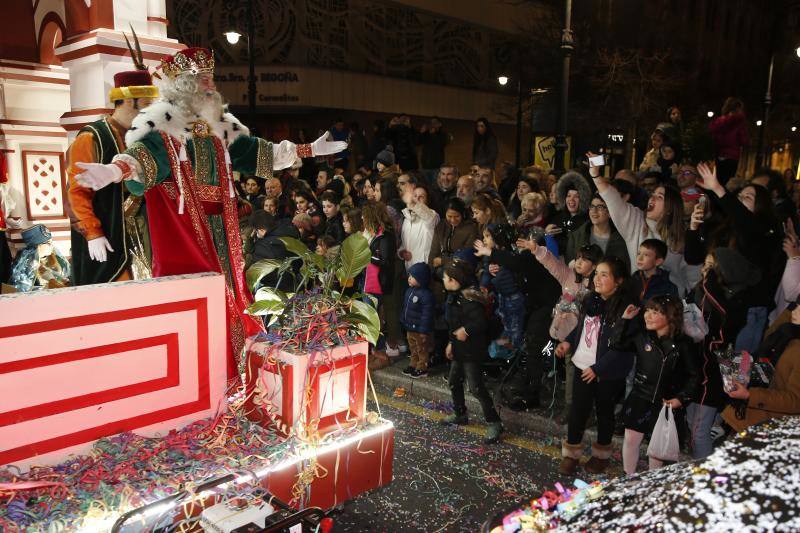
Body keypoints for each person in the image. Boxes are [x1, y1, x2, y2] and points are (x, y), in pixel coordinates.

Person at [74, 47, 346, 378]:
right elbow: (142, 159)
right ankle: (202, 375)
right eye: (202, 79)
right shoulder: (163, 130)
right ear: (181, 85)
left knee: (230, 299)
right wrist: (115, 170)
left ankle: (234, 372)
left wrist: (309, 149)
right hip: (187, 235)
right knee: (199, 305)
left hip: (224, 234)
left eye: (210, 78)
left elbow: (258, 153)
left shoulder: (220, 129)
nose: (210, 85)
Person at [66, 36, 157, 286]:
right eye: (146, 105)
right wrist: (92, 232)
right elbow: (76, 192)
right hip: (107, 237)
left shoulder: (147, 138)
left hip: (145, 239)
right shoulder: (91, 137)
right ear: (128, 100)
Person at [557, 256, 636, 475]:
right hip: (583, 365)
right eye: (596, 274)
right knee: (578, 411)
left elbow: (622, 345)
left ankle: (601, 456)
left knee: (605, 413)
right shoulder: (591, 299)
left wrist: (598, 369)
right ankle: (571, 454)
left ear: (618, 281)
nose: (597, 279)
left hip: (607, 371)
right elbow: (582, 328)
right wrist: (568, 342)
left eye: (604, 275)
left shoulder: (627, 308)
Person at [589, 153, 696, 296]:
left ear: (670, 207)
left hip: (672, 302)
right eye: (653, 195)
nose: (652, 198)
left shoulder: (683, 236)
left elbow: (692, 276)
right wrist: (596, 175)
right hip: (641, 298)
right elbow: (614, 200)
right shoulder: (637, 223)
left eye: (659, 197)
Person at [617, 295, 699, 475]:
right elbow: (617, 343)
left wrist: (681, 398)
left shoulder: (684, 344)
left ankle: (652, 482)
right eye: (647, 310)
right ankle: (628, 478)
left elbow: (694, 376)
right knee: (630, 439)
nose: (648, 315)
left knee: (657, 449)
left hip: (665, 404)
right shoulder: (642, 336)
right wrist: (624, 320)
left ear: (671, 316)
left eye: (655, 312)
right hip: (640, 397)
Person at [524, 239, 602, 420]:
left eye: (585, 259)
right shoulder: (569, 276)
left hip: (589, 339)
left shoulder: (598, 285)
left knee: (587, 374)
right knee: (570, 369)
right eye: (578, 257)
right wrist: (537, 250)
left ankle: (587, 410)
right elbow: (553, 264)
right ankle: (570, 406)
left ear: (595, 265)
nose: (579, 262)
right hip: (567, 336)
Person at [440, 260, 504, 444]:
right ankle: (460, 413)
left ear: (453, 281)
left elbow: (480, 323)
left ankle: (494, 422)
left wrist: (466, 331)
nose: (443, 280)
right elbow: (453, 324)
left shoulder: (469, 298)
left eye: (445, 277)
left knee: (476, 387)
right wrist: (451, 343)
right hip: (459, 348)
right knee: (454, 381)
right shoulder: (454, 296)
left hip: (471, 351)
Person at [722, 296, 800, 431]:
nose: (796, 311)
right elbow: (770, 334)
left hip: (772, 426)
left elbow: (795, 401)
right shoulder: (787, 331)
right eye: (796, 306)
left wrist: (750, 395)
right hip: (751, 415)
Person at [475, 223, 526, 351]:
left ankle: (517, 350)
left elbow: (512, 264)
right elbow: (488, 271)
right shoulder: (491, 255)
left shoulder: (508, 252)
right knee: (506, 322)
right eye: (484, 236)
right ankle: (510, 347)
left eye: (487, 236)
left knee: (515, 326)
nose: (484, 240)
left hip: (514, 297)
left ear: (497, 238)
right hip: (502, 295)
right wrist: (485, 282)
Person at [362, 201, 397, 370]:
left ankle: (381, 353)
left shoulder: (386, 235)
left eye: (364, 216)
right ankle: (374, 351)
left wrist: (367, 256)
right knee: (370, 318)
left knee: (374, 319)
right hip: (368, 282)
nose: (362, 219)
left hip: (377, 284)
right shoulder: (374, 234)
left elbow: (385, 260)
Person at [565, 194, 629, 271]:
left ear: (609, 212)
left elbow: (623, 269)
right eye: (592, 207)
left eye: (600, 207)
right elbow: (569, 266)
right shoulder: (576, 236)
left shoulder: (620, 240)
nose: (594, 211)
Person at [401, 262, 436, 378]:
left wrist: (423, 331)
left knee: (422, 349)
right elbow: (406, 308)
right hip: (410, 327)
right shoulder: (409, 291)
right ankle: (413, 363)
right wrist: (403, 320)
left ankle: (422, 367)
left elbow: (427, 315)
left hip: (420, 330)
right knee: (413, 348)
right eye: (409, 276)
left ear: (421, 279)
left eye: (412, 277)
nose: (409, 278)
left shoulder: (426, 295)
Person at [547, 171, 591, 253]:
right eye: (568, 195)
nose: (571, 199)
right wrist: (547, 234)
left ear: (583, 199)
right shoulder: (557, 218)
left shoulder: (587, 223)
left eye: (576, 196)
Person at [709, 97, 748, 187]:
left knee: (718, 181)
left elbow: (712, 133)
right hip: (732, 156)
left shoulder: (719, 121)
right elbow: (744, 140)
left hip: (719, 155)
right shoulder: (739, 122)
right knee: (727, 183)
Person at [399, 186, 439, 271]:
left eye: (421, 197)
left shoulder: (432, 215)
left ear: (427, 200)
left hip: (424, 269)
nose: (417, 199)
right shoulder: (407, 219)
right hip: (409, 269)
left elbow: (429, 217)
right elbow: (403, 243)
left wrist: (414, 204)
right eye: (415, 196)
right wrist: (401, 252)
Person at [630, 239, 679, 304]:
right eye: (639, 253)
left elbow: (671, 307)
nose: (640, 258)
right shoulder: (634, 277)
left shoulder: (667, 284)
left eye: (646, 255)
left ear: (658, 261)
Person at [418, 117, 449, 184]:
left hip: (436, 167)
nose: (433, 124)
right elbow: (417, 142)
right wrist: (421, 132)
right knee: (425, 184)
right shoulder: (426, 134)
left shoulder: (443, 134)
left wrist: (433, 134)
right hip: (425, 166)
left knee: (435, 185)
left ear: (440, 124)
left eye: (435, 122)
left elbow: (440, 144)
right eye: (431, 123)